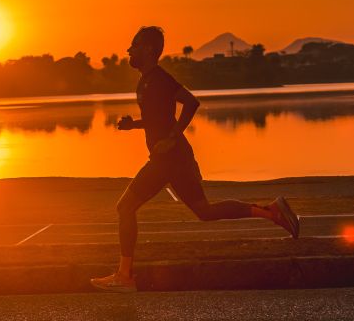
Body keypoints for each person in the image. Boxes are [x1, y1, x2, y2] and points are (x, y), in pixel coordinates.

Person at [90, 26, 299, 293]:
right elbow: (160, 119)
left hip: (169, 159)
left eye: (134, 45)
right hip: (174, 160)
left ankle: (125, 275)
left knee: (125, 207)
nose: (128, 50)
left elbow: (191, 103)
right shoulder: (146, 81)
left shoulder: (160, 79)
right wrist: (136, 125)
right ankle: (271, 211)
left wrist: (171, 138)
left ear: (149, 50)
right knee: (205, 211)